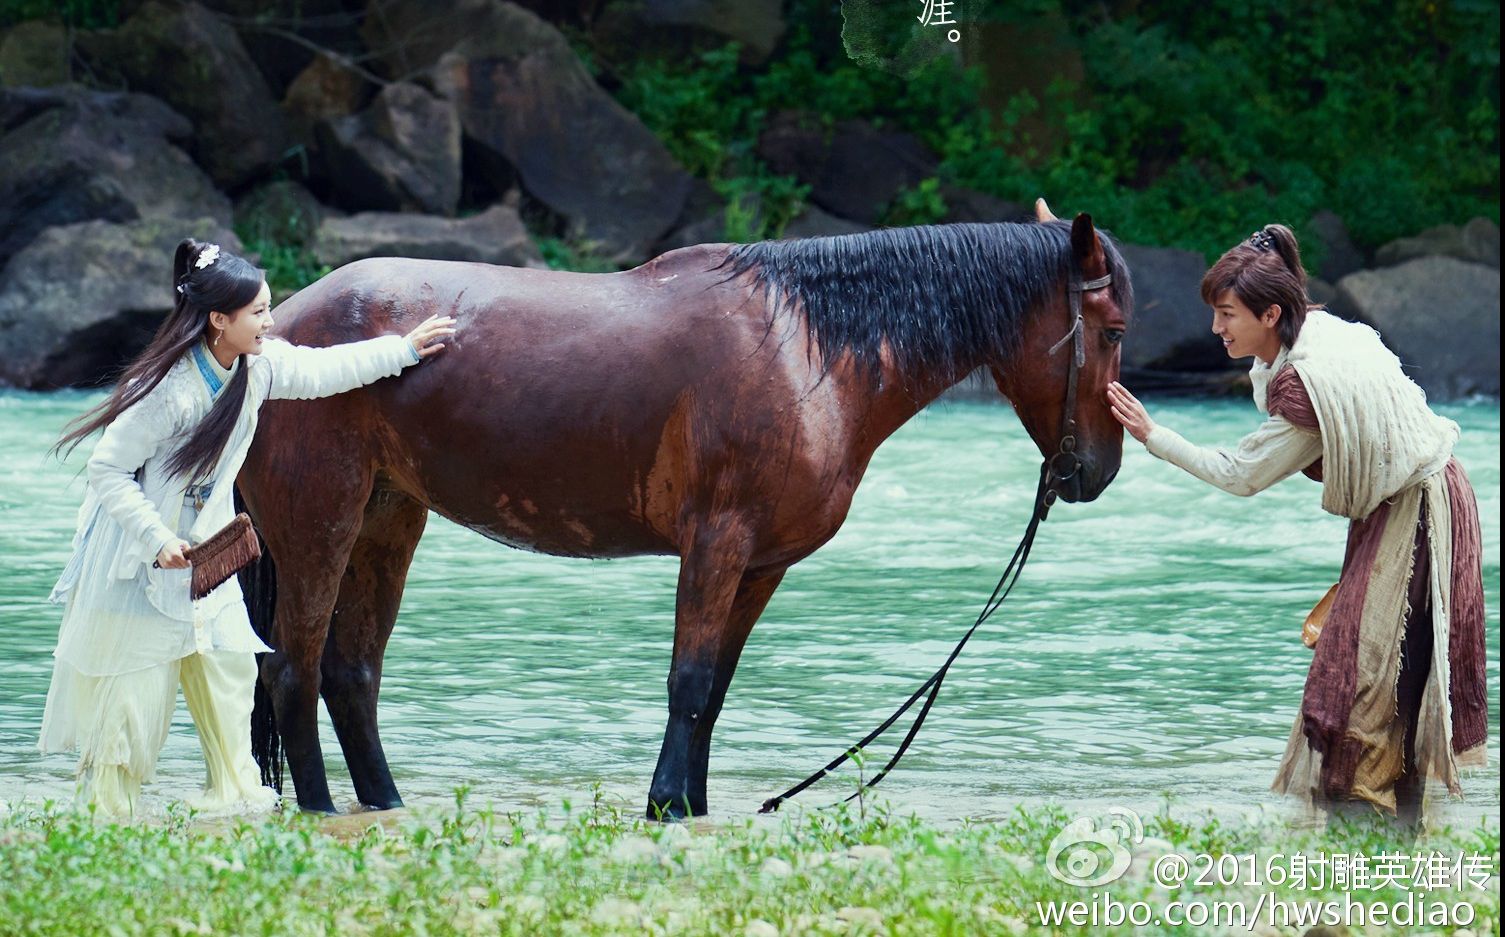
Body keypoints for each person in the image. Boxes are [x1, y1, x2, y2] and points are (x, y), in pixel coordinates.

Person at [39, 239, 456, 818]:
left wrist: (402, 350)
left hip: (208, 569)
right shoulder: (167, 392)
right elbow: (107, 470)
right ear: (218, 320)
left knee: (232, 696)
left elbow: (324, 370)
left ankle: (234, 817)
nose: (270, 320)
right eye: (258, 311)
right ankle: (104, 827)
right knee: (127, 720)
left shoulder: (255, 368)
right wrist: (157, 540)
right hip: (138, 568)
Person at [1106, 224, 1487, 829]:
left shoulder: (1306, 385)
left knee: (1359, 678)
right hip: (1412, 502)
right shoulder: (1312, 331)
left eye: (1228, 315)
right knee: (1382, 671)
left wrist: (1154, 436)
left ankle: (1365, 833)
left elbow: (1240, 475)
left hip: (1419, 511)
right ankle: (1387, 832)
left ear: (1271, 313)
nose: (1216, 329)